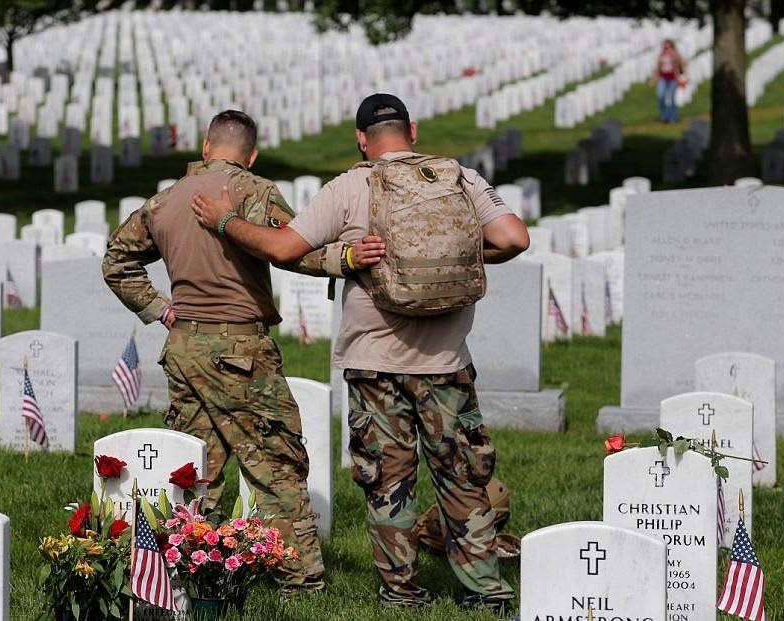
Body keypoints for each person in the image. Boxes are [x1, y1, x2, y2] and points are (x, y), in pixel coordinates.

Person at [191, 94, 530, 612]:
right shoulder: (458, 176)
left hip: (372, 362)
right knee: (461, 476)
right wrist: (457, 254)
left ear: (360, 139)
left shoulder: (351, 185)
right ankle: (485, 591)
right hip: (446, 363)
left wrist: (223, 221)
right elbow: (513, 238)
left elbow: (283, 249)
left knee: (387, 482)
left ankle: (401, 593)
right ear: (412, 131)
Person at [102, 109, 384, 594]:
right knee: (276, 459)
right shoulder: (254, 192)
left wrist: (161, 310)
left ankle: (181, 573)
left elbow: (116, 261)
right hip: (240, 349)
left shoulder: (164, 201)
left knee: (195, 466)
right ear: (250, 155)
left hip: (184, 346)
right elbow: (293, 248)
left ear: (205, 147)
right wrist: (348, 257)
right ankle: (298, 578)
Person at [650, 39, 686, 124]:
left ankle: (672, 117)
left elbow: (681, 65)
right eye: (665, 47)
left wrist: (674, 56)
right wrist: (653, 79)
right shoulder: (661, 56)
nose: (667, 49)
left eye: (669, 47)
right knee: (660, 96)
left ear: (672, 47)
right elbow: (657, 68)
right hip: (663, 78)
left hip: (673, 78)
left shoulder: (675, 55)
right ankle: (664, 116)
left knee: (670, 98)